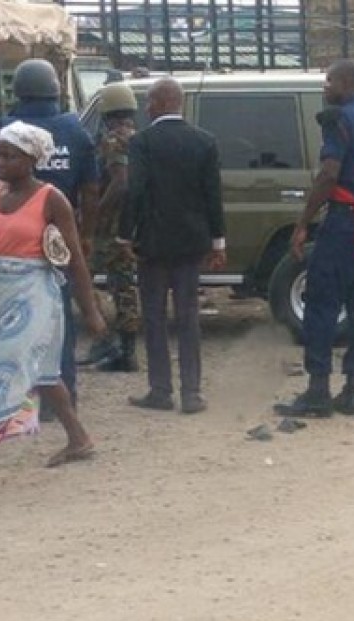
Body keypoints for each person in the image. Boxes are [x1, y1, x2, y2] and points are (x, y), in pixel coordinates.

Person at [0, 122, 107, 500]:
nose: (0, 162)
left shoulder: (52, 200)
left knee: (4, 373)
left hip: (35, 297)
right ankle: (79, 439)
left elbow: (75, 259)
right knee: (45, 373)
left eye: (9, 155)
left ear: (33, 158)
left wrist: (91, 310)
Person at [274, 60, 354, 418]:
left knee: (321, 303)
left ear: (346, 84)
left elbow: (329, 174)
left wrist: (302, 223)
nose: (324, 88)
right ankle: (352, 392)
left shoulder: (338, 119)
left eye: (329, 81)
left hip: (344, 223)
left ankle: (317, 391)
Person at [0, 58, 99, 418]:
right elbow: (91, 190)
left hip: (15, 246)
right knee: (57, 323)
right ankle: (63, 401)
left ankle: (19, 400)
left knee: (9, 329)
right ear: (55, 88)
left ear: (17, 90)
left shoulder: (6, 130)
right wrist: (86, 235)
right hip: (58, 243)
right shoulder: (75, 129)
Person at [117, 78, 226, 415]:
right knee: (188, 316)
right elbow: (213, 196)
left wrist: (124, 236)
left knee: (154, 316)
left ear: (162, 103)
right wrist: (218, 241)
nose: (146, 108)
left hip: (152, 244)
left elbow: (133, 192)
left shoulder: (141, 143)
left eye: (149, 102)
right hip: (192, 243)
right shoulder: (204, 142)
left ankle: (160, 391)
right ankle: (191, 393)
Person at [84, 83, 142, 372]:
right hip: (128, 226)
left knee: (81, 278)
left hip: (110, 228)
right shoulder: (138, 138)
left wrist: (96, 214)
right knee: (123, 287)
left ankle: (103, 340)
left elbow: (120, 182)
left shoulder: (113, 141)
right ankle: (127, 351)